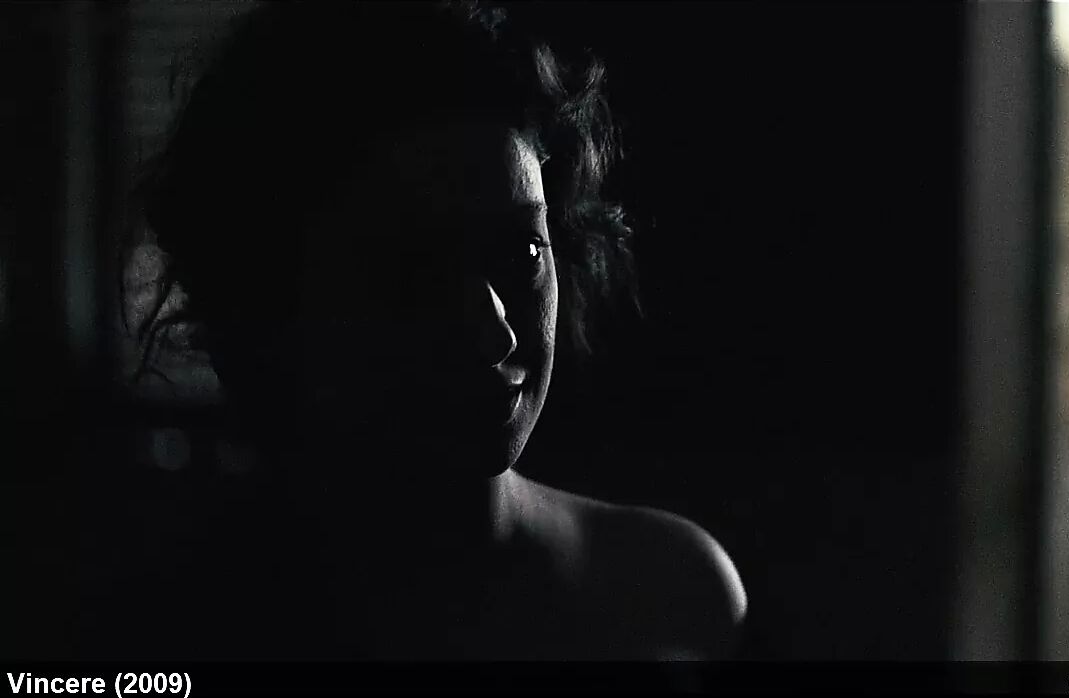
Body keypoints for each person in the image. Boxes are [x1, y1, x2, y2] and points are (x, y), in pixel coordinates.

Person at [109, 1, 746, 660]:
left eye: (524, 252)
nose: (493, 333)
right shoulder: (171, 637)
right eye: (412, 272)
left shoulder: (668, 597)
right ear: (271, 299)